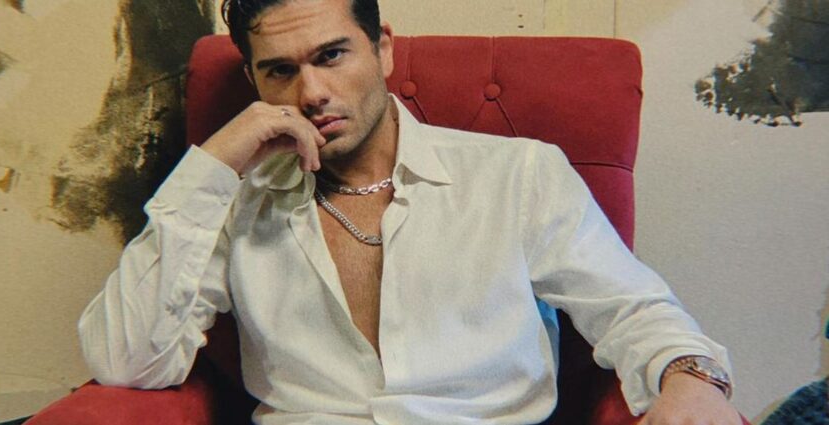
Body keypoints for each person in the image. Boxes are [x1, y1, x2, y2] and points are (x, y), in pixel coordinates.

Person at [77, 0, 744, 423]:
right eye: (279, 70)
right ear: (253, 81)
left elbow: (633, 311)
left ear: (383, 50)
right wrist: (211, 165)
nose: (311, 92)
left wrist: (691, 378)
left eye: (332, 55)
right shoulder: (231, 197)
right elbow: (130, 362)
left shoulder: (518, 175)